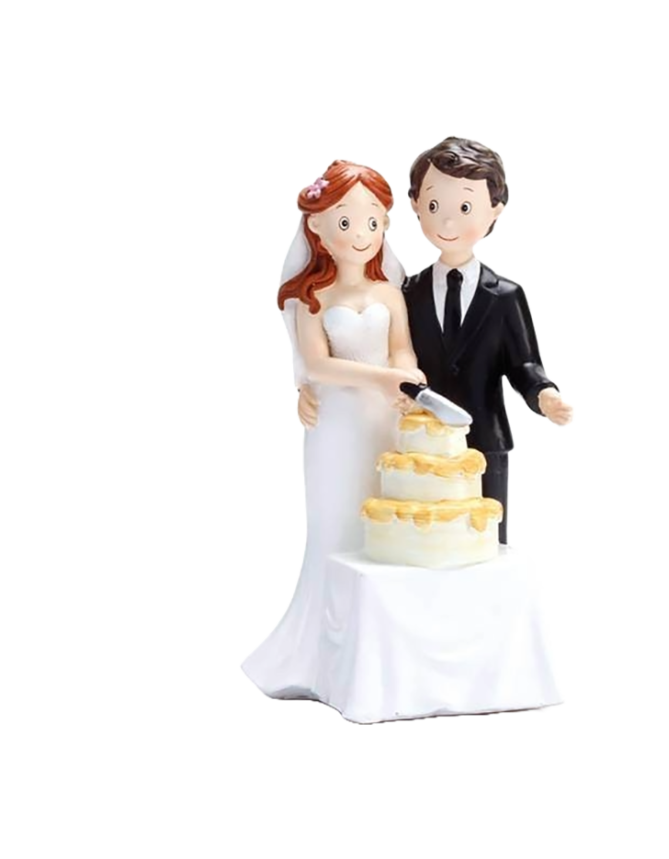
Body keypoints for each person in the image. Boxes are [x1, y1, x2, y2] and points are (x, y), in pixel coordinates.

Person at [299, 137, 574, 544]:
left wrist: (544, 394)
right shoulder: (406, 291)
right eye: (433, 206)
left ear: (495, 209)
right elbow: (385, 350)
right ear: (414, 205)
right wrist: (308, 386)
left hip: (485, 438)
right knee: (422, 540)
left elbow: (524, 364)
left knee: (486, 540)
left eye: (464, 208)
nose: (447, 223)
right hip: (415, 438)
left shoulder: (505, 297)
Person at [242, 160, 424, 700]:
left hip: (384, 422)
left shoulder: (389, 293)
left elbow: (401, 347)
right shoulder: (313, 299)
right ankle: (325, 652)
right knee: (337, 526)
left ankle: (381, 650)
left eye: (371, 221)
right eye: (345, 222)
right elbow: (319, 365)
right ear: (317, 227)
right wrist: (382, 377)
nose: (360, 234)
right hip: (337, 427)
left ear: (385, 225)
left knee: (385, 526)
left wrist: (407, 375)